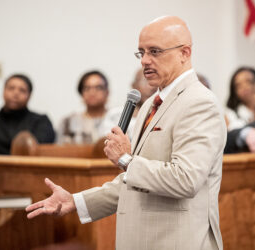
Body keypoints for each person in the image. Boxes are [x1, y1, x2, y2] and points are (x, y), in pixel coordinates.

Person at [26, 16, 226, 250]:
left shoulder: (199, 102)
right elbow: (135, 180)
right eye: (141, 52)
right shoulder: (152, 103)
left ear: (184, 53)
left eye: (154, 51)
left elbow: (185, 180)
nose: (145, 61)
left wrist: (125, 159)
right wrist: (76, 201)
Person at [99, 68, 157, 139]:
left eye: (154, 82)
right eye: (145, 81)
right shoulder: (115, 115)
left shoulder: (160, 115)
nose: (151, 87)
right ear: (133, 85)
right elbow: (103, 142)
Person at [56, 70, 109, 144]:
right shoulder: (67, 122)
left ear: (107, 92)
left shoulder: (118, 120)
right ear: (81, 93)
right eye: (87, 88)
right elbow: (60, 151)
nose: (92, 92)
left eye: (98, 87)